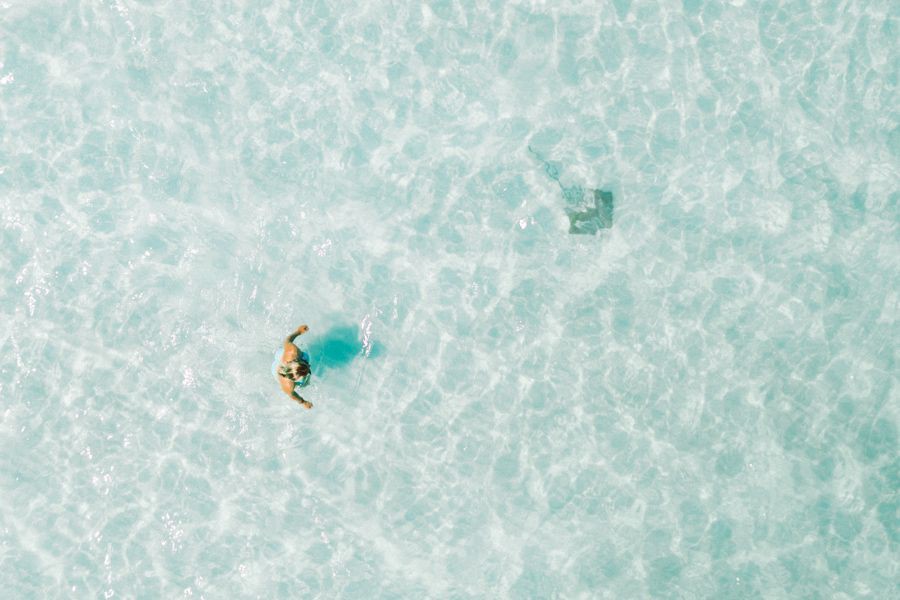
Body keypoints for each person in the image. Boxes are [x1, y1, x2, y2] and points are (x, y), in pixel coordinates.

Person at [277, 324, 313, 409]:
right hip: (277, 371)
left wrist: (298, 332)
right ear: (294, 379)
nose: (309, 365)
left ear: (295, 361)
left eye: (305, 364)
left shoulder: (293, 351)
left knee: (303, 357)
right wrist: (303, 402)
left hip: (282, 357)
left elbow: (287, 341)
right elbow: (293, 395)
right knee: (304, 384)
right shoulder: (288, 386)